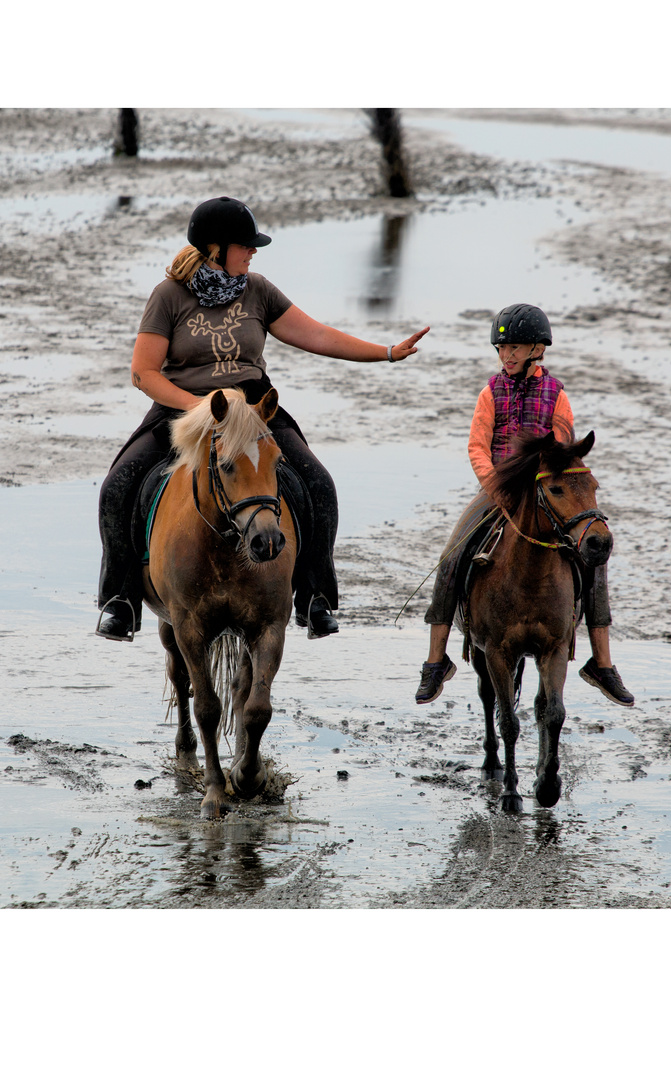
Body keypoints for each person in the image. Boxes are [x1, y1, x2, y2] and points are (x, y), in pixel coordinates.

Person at [97, 196, 428, 642]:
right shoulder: (168, 297)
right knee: (118, 486)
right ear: (215, 248)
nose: (254, 252)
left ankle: (314, 598)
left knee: (317, 484)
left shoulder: (258, 290)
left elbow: (317, 334)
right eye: (246, 245)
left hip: (253, 410)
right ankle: (120, 600)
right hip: (185, 409)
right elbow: (144, 372)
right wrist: (198, 407)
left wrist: (385, 352)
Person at [414, 304, 633, 708]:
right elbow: (477, 446)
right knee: (452, 553)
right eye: (501, 348)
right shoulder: (489, 392)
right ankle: (436, 659)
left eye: (514, 347)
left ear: (537, 349)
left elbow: (562, 441)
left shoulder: (557, 394)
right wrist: (495, 487)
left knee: (594, 561)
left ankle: (601, 662)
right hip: (498, 490)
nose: (506, 356)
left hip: (545, 491)